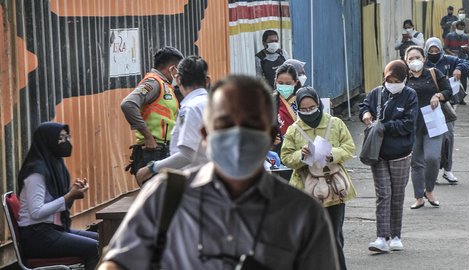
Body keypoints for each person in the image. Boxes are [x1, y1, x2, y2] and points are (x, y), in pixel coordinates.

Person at [99, 75, 339, 270]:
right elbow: (118, 262)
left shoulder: (302, 214)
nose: (238, 135)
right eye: (226, 124)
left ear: (271, 136)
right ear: (205, 135)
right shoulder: (166, 196)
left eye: (251, 124)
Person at [281, 87, 357, 269]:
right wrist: (301, 155)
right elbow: (286, 157)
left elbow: (350, 148)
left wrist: (333, 154)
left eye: (312, 107)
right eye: (304, 109)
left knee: (334, 237)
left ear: (319, 105)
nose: (309, 112)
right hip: (305, 192)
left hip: (334, 190)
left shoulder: (335, 123)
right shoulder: (294, 130)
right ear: (298, 109)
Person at [17, 122, 99, 270]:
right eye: (60, 138)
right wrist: (68, 196)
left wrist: (74, 193)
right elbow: (36, 213)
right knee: (95, 247)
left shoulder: (55, 165)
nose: (66, 142)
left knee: (104, 239)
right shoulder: (36, 172)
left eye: (66, 137)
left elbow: (60, 206)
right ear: (48, 141)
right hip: (37, 236)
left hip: (51, 230)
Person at [359, 60, 418, 253]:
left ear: (404, 79)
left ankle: (395, 235)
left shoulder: (410, 95)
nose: (392, 83)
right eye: (389, 79)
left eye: (396, 80)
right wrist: (366, 114)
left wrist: (385, 126)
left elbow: (408, 124)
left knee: (397, 195)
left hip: (401, 154)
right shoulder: (377, 93)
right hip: (378, 153)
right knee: (383, 195)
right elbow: (364, 106)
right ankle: (381, 237)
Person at [135, 56, 210, 186]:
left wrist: (151, 168)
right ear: (207, 80)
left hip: (195, 182)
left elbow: (187, 155)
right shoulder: (215, 103)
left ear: (178, 79)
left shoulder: (190, 109)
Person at [121, 47, 184, 175]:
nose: (178, 74)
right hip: (153, 152)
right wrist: (148, 136)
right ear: (171, 68)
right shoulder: (154, 83)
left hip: (163, 150)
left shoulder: (166, 85)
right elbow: (128, 104)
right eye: (177, 70)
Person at [404, 46, 452, 209]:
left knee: (432, 158)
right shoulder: (403, 77)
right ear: (406, 61)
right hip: (412, 125)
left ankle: (429, 189)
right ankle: (419, 196)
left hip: (433, 123)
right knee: (416, 162)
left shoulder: (433, 73)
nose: (414, 61)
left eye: (417, 57)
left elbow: (448, 90)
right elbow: (389, 89)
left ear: (424, 58)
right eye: (410, 59)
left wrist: (438, 95)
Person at [424, 38, 469, 185]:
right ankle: (432, 172)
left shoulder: (448, 60)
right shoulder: (423, 64)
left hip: (445, 105)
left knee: (448, 136)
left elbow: (466, 62)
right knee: (431, 139)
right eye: (430, 51)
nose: (434, 53)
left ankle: (448, 170)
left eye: (436, 50)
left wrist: (459, 69)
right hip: (428, 107)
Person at [451, 8, 469, 72]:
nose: (461, 14)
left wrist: (466, 35)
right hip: (457, 44)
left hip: (467, 43)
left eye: (463, 13)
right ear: (457, 14)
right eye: (460, 13)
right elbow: (451, 33)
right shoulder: (454, 24)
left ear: (465, 14)